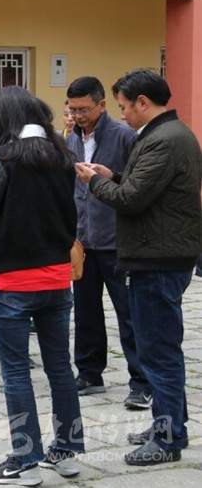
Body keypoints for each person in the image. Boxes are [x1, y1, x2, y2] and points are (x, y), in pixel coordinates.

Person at [76, 69, 202, 466]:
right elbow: (143, 187)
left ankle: (167, 440)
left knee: (157, 351)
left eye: (124, 106)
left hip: (157, 258)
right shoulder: (166, 134)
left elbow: (131, 199)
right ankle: (171, 423)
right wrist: (112, 175)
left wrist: (94, 183)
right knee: (158, 348)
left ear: (143, 102)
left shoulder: (164, 139)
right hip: (159, 252)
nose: (122, 114)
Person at [0, 86, 84, 486]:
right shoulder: (61, 156)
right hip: (56, 277)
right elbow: (71, 214)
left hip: (12, 280)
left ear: (3, 120)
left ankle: (26, 459)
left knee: (17, 372)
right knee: (60, 367)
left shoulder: (1, 159)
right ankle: (66, 453)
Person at [65, 76, 149, 408]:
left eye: (83, 109)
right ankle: (89, 373)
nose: (77, 116)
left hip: (118, 242)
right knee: (86, 313)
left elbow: (136, 184)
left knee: (129, 314)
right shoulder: (71, 138)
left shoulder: (124, 136)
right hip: (83, 242)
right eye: (72, 109)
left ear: (102, 105)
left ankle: (141, 381)